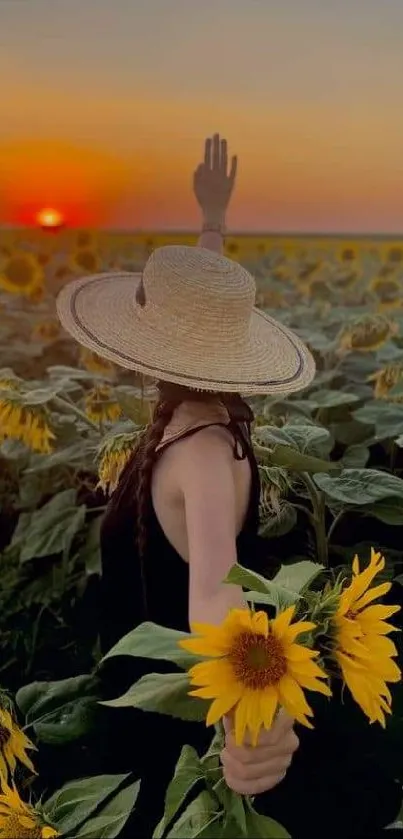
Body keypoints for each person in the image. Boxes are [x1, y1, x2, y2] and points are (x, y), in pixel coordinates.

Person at [56, 135, 402, 838]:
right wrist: (211, 218)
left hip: (171, 718)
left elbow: (218, 595)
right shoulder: (197, 418)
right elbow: (205, 296)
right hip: (143, 688)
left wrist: (257, 730)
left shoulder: (202, 456)